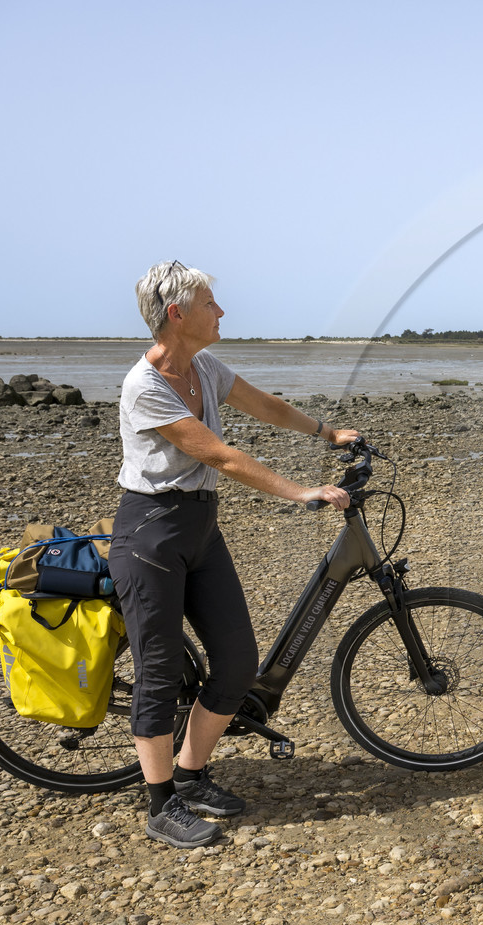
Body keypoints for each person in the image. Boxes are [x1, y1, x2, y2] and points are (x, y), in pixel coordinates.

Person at [112, 260, 360, 848]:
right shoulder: (144, 386)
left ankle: (194, 774)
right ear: (178, 315)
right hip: (150, 535)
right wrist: (303, 490)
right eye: (209, 304)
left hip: (199, 528)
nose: (220, 312)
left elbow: (264, 405)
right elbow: (220, 456)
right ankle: (160, 803)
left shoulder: (204, 367)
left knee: (237, 660)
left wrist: (327, 433)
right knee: (159, 671)